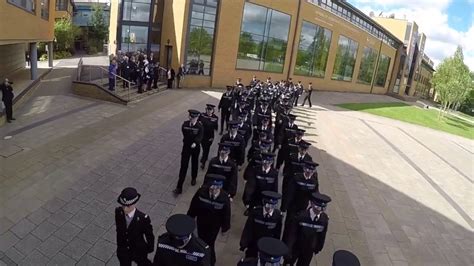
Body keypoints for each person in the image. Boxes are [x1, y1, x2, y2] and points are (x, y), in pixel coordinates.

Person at [187, 174, 231, 266]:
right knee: (200, 240)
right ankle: (200, 257)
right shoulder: (201, 192)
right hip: (201, 222)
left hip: (214, 225)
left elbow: (226, 214)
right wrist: (190, 217)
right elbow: (194, 206)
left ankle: (210, 261)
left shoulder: (224, 198)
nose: (214, 190)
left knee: (209, 243)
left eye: (216, 188)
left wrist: (225, 228)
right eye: (212, 188)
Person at [284, 192, 331, 266]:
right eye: (317, 207)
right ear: (312, 203)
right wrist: (289, 248)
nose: (319, 210)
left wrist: (318, 247)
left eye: (322, 208)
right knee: (289, 263)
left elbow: (322, 235)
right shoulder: (301, 216)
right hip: (296, 247)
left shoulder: (324, 220)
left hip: (309, 249)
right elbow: (292, 233)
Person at [115, 187, 155, 266]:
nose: (125, 209)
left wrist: (149, 248)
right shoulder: (118, 212)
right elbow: (119, 229)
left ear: (134, 204)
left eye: (128, 206)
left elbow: (149, 235)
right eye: (123, 206)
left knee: (143, 262)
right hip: (123, 249)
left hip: (138, 249)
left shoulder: (143, 219)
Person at [240, 191, 283, 259]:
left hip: (267, 246)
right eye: (267, 205)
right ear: (264, 203)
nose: (269, 208)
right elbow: (248, 228)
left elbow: (277, 233)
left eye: (272, 206)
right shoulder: (256, 212)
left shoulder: (278, 216)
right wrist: (243, 243)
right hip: (254, 243)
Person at [174, 110, 204, 195]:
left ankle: (194, 177)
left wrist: (195, 142)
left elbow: (200, 136)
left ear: (197, 118)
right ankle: (179, 187)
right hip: (186, 147)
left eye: (194, 118)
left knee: (194, 163)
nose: (192, 119)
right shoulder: (185, 124)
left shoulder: (200, 127)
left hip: (195, 148)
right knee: (183, 166)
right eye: (191, 117)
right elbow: (184, 133)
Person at [199, 104, 219, 169]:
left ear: (213, 110)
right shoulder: (202, 115)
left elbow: (216, 127)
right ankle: (204, 157)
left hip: (209, 136)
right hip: (202, 135)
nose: (209, 111)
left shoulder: (215, 118)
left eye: (210, 110)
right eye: (208, 109)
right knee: (203, 147)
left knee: (206, 149)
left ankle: (203, 162)